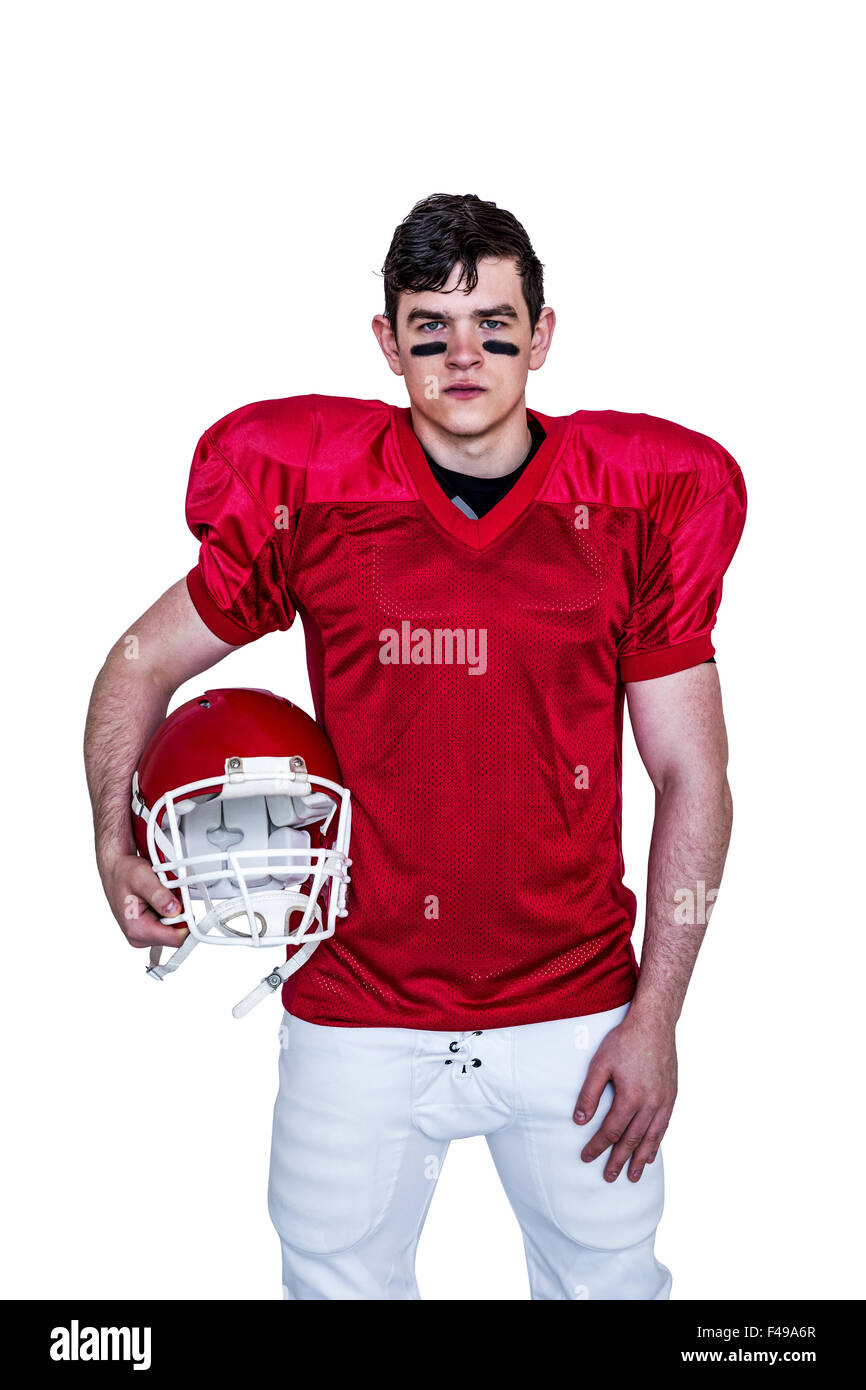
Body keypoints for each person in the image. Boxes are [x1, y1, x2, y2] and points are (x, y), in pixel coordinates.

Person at [85, 192, 746, 1300]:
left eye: (494, 323)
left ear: (542, 336)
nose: (463, 352)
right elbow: (138, 660)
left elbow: (691, 774)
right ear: (386, 344)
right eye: (429, 328)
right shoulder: (317, 494)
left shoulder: (630, 503)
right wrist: (112, 838)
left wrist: (655, 1016)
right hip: (354, 1003)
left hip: (577, 1009)